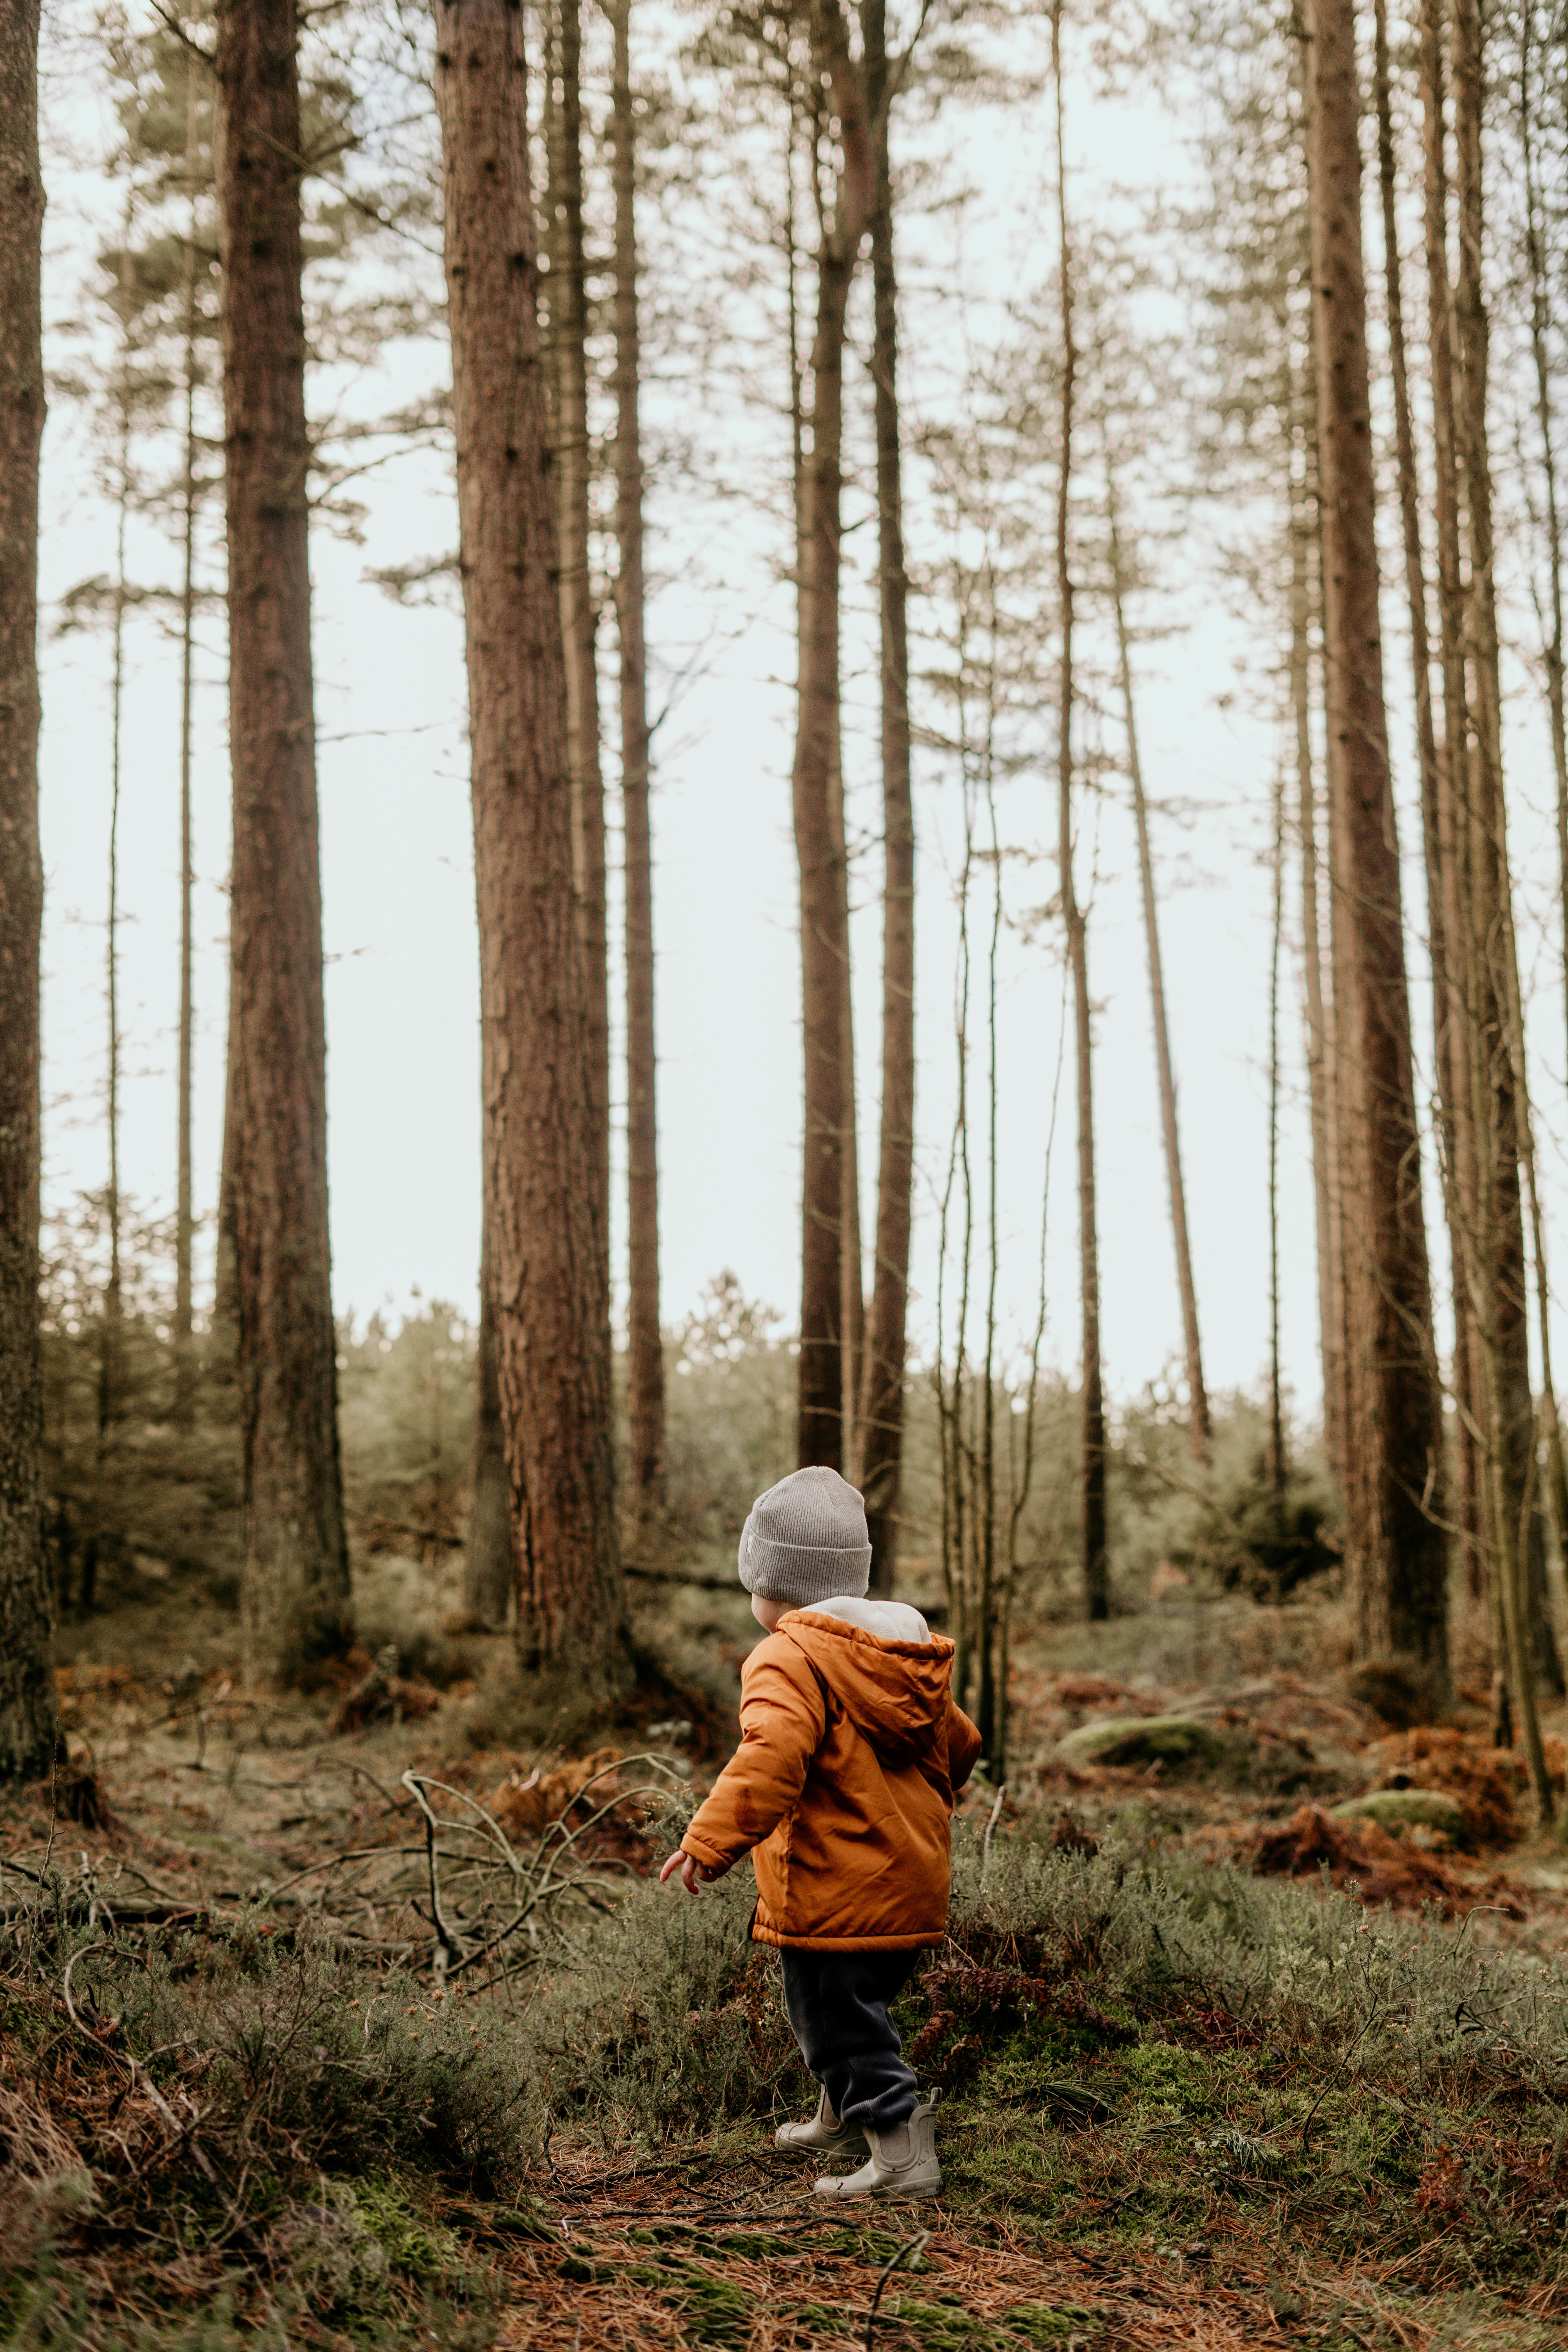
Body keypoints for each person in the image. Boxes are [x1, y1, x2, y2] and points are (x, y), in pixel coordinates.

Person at [660, 1465, 983, 2200]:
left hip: (838, 1885)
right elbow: (960, 1747)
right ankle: (838, 2116)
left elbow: (768, 1758)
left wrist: (709, 1841)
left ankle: (902, 2155)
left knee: (837, 2022)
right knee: (852, 2008)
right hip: (909, 1881)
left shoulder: (788, 1655)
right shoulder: (905, 1650)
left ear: (770, 1583)